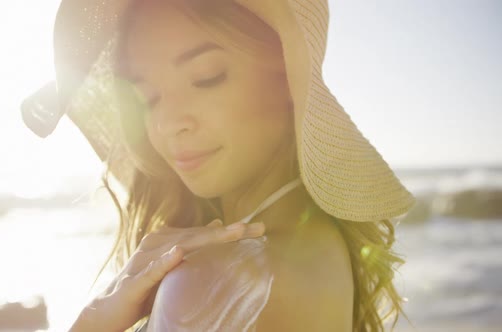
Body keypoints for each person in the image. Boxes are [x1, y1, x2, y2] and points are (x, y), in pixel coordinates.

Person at [23, 0, 416, 331]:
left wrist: (93, 322)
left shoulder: (217, 279)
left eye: (205, 77)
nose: (167, 123)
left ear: (286, 77)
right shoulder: (321, 245)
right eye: (148, 98)